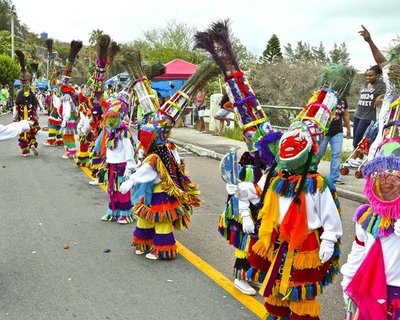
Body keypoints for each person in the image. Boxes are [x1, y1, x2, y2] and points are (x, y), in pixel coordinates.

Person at [359, 25, 398, 161]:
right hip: (390, 112)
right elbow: (380, 60)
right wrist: (369, 41)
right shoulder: (391, 70)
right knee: (385, 139)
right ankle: (377, 170)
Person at [349, 64, 385, 167]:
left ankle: (358, 158)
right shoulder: (365, 83)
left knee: (360, 137)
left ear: (377, 76)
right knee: (355, 137)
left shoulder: (381, 85)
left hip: (369, 115)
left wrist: (380, 96)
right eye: (367, 75)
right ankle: (356, 158)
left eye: (371, 76)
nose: (368, 78)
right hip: (358, 113)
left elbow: (389, 94)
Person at [315, 99, 352, 184]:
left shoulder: (343, 100)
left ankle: (334, 177)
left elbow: (346, 115)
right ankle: (312, 171)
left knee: (336, 154)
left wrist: (348, 129)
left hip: (337, 131)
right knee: (319, 153)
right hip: (324, 131)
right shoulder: (326, 96)